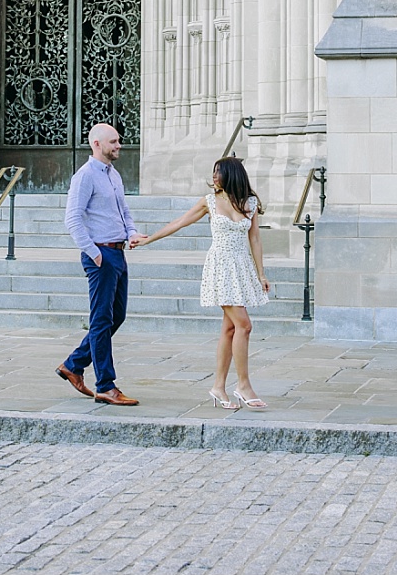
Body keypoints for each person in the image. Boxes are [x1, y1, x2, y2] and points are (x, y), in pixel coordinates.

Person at [132, 157, 272, 409]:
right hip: (220, 268)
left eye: (219, 172)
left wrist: (261, 274)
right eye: (214, 172)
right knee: (245, 325)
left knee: (230, 329)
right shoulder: (209, 202)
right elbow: (178, 223)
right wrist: (148, 239)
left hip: (241, 268)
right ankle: (243, 385)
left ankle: (218, 387)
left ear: (232, 175)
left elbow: (256, 240)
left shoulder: (249, 203)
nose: (214, 177)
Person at [56, 123, 144, 406]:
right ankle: (105, 385)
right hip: (102, 256)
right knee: (101, 319)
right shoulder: (84, 177)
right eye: (114, 142)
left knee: (116, 316)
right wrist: (94, 253)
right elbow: (72, 218)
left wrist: (131, 233)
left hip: (118, 253)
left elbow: (124, 211)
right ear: (97, 144)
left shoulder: (114, 175)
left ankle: (73, 364)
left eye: (119, 140)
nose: (119, 146)